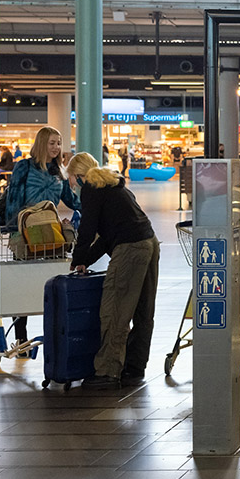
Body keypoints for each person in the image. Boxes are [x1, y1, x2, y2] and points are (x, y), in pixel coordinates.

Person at [66, 152, 160, 390]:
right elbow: (107, 238)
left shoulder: (90, 188)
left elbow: (87, 230)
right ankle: (135, 365)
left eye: (72, 179)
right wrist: (85, 260)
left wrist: (77, 259)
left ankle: (108, 371)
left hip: (131, 249)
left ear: (78, 176)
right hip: (150, 241)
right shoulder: (112, 185)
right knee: (143, 310)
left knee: (114, 309)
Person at [0, 127, 81, 354]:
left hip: (50, 235)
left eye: (59, 143)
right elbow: (14, 198)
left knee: (52, 284)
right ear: (41, 143)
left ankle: (54, 336)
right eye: (52, 143)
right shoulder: (24, 166)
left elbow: (71, 200)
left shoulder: (58, 171)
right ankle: (22, 339)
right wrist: (15, 229)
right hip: (25, 232)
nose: (56, 148)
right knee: (22, 284)